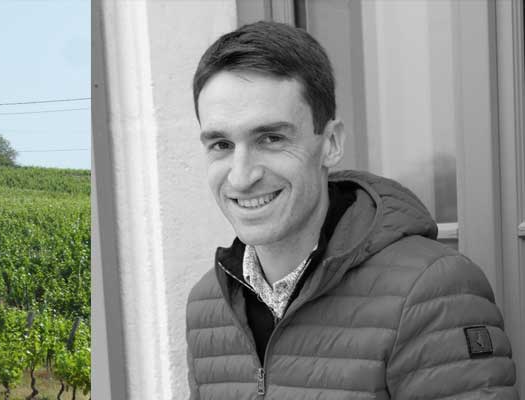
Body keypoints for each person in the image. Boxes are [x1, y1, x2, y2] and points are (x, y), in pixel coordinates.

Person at [184, 21, 517, 399]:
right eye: (221, 145)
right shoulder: (207, 305)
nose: (242, 177)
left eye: (271, 138)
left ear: (331, 143)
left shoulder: (431, 289)